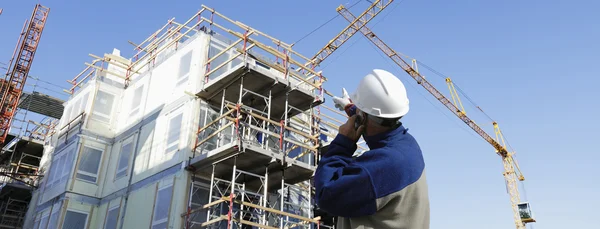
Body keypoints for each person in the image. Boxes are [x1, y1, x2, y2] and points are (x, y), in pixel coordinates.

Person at [314, 69, 430, 229]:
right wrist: (352, 109)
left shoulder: (383, 165)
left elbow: (325, 194)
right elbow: (378, 124)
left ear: (365, 117)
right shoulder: (406, 145)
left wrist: (343, 143)